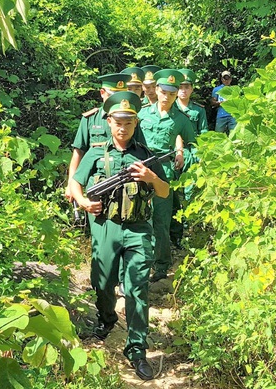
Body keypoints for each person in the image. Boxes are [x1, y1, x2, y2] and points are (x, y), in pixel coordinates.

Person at [70, 91, 169, 381]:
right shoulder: (97, 153)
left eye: (128, 122)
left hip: (138, 229)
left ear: (136, 123)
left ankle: (137, 350)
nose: (123, 128)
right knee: (103, 282)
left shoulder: (145, 155)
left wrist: (151, 178)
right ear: (109, 122)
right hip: (105, 227)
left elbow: (164, 191)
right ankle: (107, 319)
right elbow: (76, 183)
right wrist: (85, 203)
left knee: (137, 289)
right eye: (118, 122)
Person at [137, 69, 196, 282]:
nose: (167, 97)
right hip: (141, 170)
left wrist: (184, 157)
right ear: (157, 90)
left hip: (165, 172)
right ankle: (140, 261)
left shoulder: (181, 119)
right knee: (138, 216)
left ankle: (161, 265)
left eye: (172, 94)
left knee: (161, 220)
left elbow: (193, 144)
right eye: (164, 92)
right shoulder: (142, 113)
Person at [65, 73, 132, 202]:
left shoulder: (131, 121)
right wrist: (70, 184)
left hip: (125, 184)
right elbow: (78, 153)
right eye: (112, 96)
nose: (116, 101)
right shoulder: (90, 119)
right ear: (102, 93)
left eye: (120, 96)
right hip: (96, 184)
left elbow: (140, 151)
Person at [169, 68, 207, 249]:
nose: (183, 90)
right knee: (171, 194)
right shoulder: (170, 107)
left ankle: (188, 231)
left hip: (191, 154)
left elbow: (203, 134)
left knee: (190, 193)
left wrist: (200, 157)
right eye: (180, 87)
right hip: (172, 154)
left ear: (192, 89)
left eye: (187, 87)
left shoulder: (198, 110)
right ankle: (174, 234)